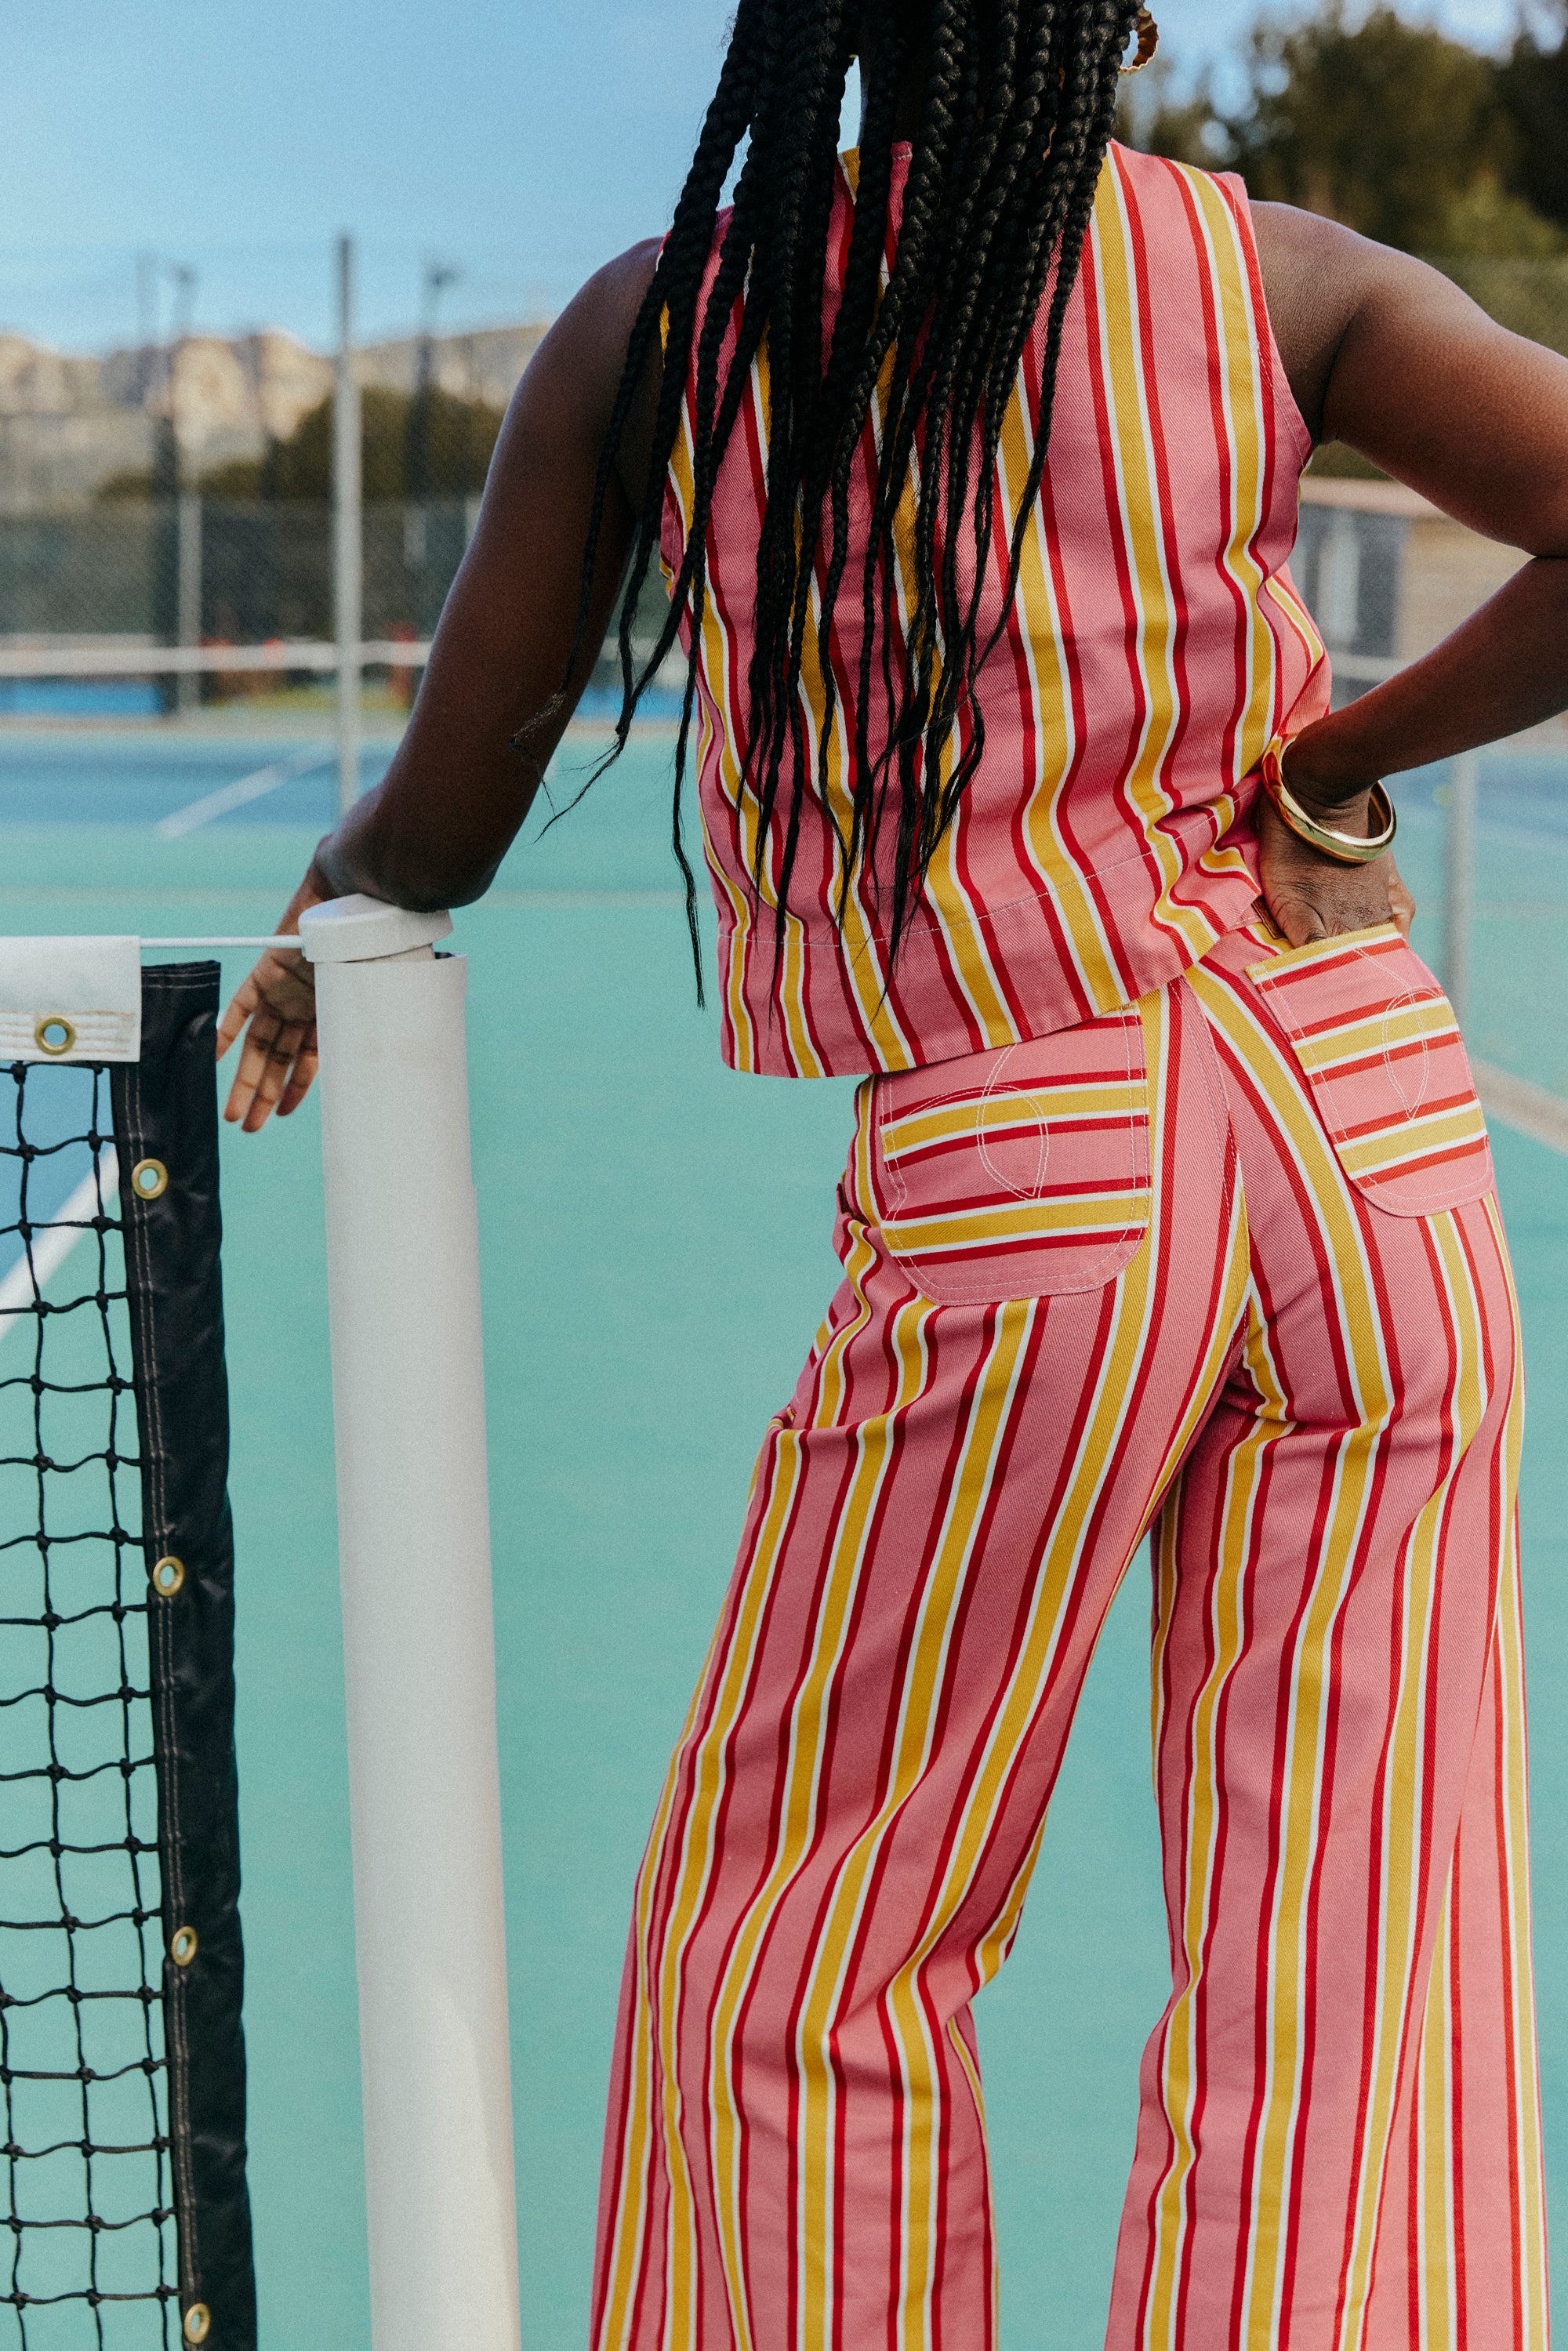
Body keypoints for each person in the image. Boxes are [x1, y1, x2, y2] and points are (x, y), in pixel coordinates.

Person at [219, 3, 1568, 2344]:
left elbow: (444, 815)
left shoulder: (668, 330)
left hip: (1040, 1169)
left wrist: (338, 893)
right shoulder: (1277, 275)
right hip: (1378, 1141)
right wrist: (1331, 760)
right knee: (1360, 1938)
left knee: (799, 1942)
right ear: (1119, 18)